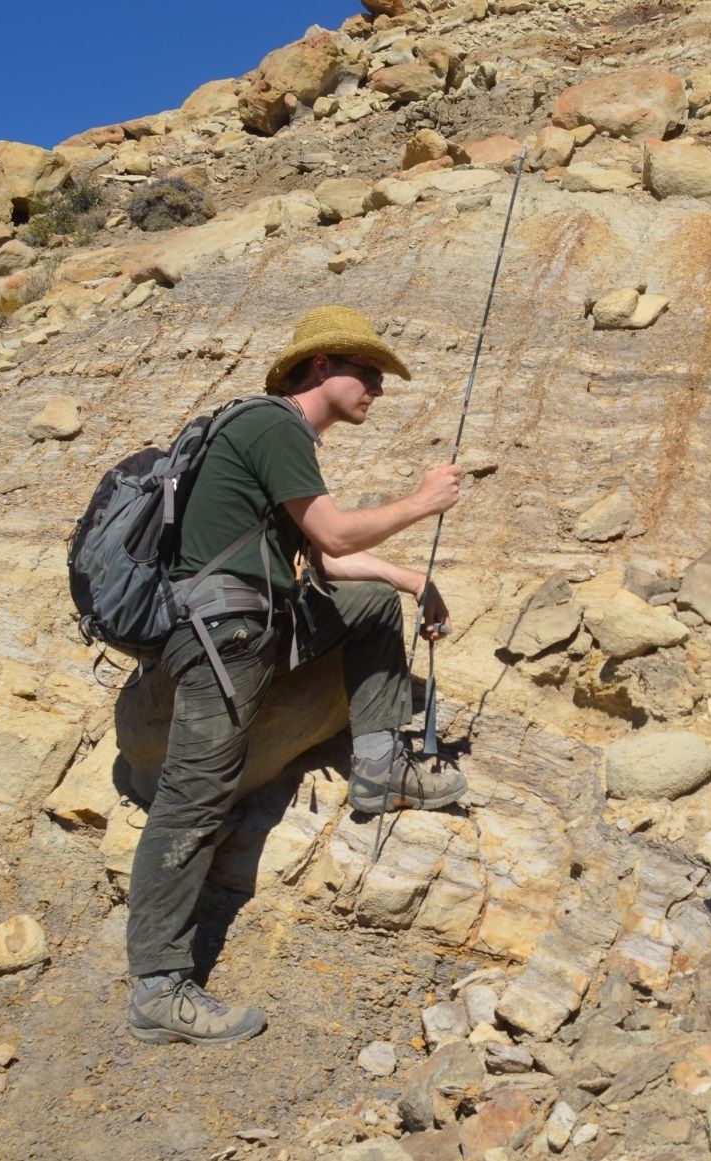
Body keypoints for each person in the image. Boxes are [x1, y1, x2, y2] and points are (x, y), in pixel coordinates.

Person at [125, 305, 470, 1046]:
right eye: (367, 372)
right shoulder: (274, 426)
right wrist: (423, 501)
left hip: (255, 622)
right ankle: (158, 987)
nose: (378, 387)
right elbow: (337, 532)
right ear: (320, 367)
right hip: (222, 637)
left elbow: (331, 562)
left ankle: (380, 770)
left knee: (374, 603)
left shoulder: (277, 434)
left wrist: (414, 581)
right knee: (194, 799)